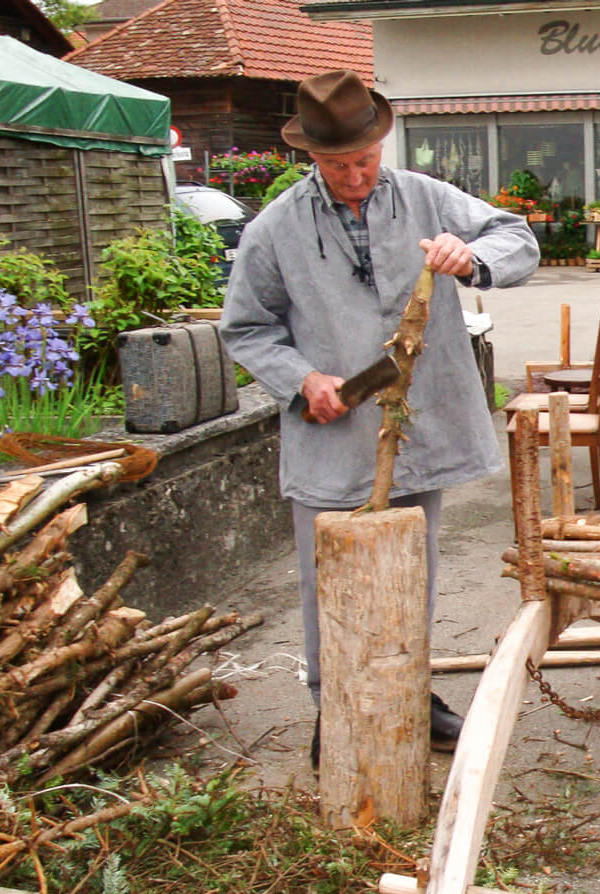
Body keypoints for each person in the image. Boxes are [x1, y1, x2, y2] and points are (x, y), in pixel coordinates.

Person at [221, 70, 541, 764]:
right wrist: (301, 378)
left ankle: (409, 698)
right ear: (310, 155)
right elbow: (246, 329)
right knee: (326, 576)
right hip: (334, 433)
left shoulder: (426, 197)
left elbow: (518, 238)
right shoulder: (275, 228)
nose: (355, 175)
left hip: (418, 427)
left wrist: (474, 256)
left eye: (365, 160)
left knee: (411, 570)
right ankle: (331, 707)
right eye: (338, 165)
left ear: (381, 142)